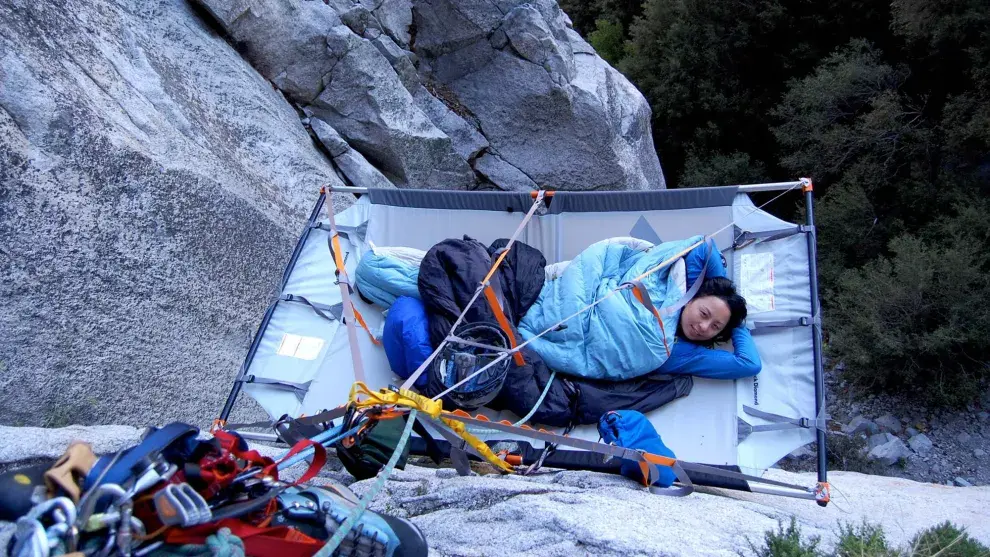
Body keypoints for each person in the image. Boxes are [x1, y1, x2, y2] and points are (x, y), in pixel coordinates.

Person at [657, 241, 762, 380]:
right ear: (691, 299)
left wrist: (736, 323)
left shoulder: (684, 354)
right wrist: (723, 289)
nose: (704, 327)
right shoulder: (682, 291)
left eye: (716, 326)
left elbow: (750, 364)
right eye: (704, 314)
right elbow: (704, 246)